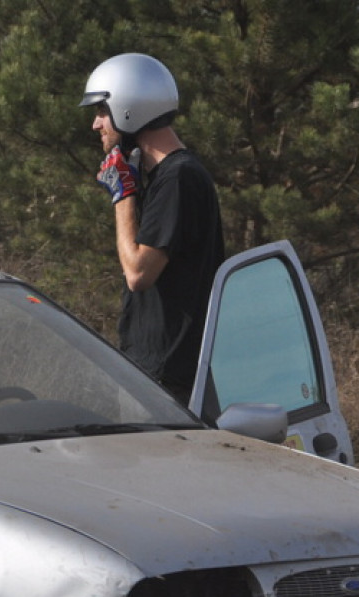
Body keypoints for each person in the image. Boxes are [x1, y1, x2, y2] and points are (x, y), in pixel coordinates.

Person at [80, 52, 225, 404]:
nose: (96, 125)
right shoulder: (166, 177)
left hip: (168, 383)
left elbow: (138, 272)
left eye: (101, 111)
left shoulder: (178, 178)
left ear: (128, 108)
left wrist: (123, 195)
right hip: (156, 376)